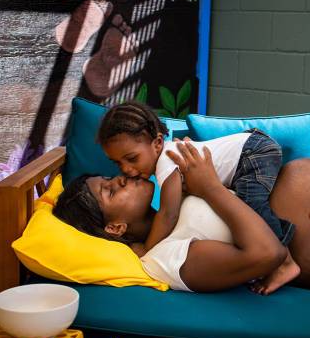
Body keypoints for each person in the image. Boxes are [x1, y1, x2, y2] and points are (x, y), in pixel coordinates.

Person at [53, 145, 310, 293]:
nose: (121, 177)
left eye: (111, 177)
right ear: (115, 227)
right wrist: (211, 188)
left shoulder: (173, 199)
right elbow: (266, 253)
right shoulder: (163, 258)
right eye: (109, 190)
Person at [95, 101, 299, 294]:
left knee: (254, 206)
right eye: (117, 163)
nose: (126, 170)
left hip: (252, 153)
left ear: (157, 143)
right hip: (251, 147)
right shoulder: (170, 159)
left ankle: (286, 263)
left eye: (131, 158)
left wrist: (148, 248)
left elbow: (168, 214)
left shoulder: (167, 160)